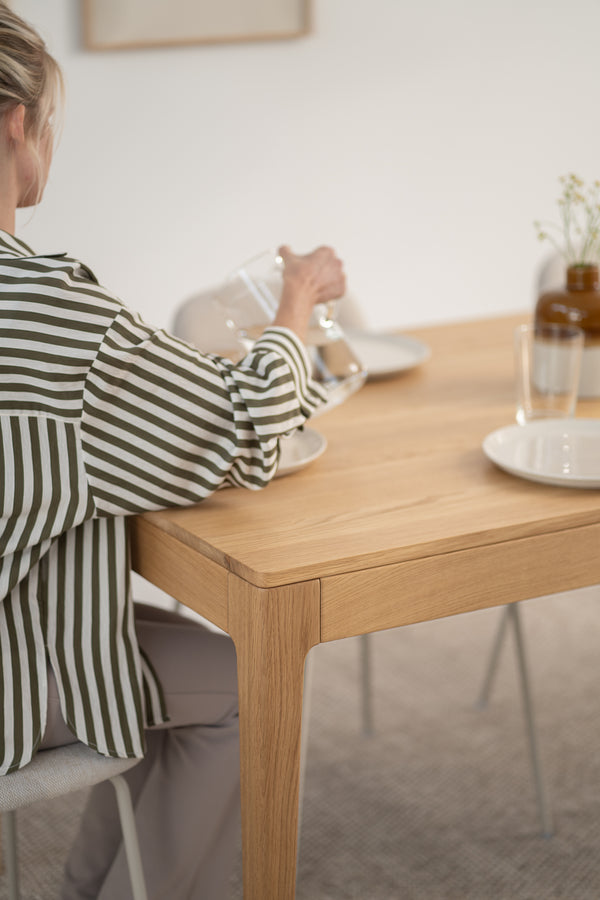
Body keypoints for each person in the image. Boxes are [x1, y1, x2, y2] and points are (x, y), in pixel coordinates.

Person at [0, 4, 345, 898]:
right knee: (242, 681)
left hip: (20, 604)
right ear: (16, 124)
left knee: (167, 656)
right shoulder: (47, 314)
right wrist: (296, 304)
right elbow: (245, 424)